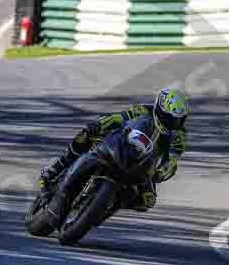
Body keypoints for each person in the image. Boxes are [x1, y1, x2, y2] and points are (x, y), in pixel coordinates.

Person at [39, 87, 189, 211]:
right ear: (159, 109)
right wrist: (100, 124)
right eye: (170, 118)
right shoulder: (143, 110)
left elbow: (172, 159)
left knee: (147, 201)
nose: (174, 123)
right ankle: (55, 169)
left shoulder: (178, 135)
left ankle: (107, 206)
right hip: (120, 145)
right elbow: (118, 117)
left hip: (144, 166)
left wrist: (161, 173)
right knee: (88, 133)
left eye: (178, 120)